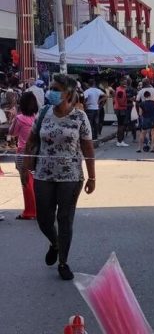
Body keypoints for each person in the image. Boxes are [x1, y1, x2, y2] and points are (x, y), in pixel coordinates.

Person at [23, 74, 95, 281]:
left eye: (56, 88)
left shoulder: (80, 117)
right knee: (44, 219)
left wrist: (92, 177)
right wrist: (26, 164)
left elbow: (88, 148)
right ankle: (54, 243)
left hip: (71, 177)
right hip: (44, 174)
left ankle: (63, 261)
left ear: (68, 94)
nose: (51, 92)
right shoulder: (44, 112)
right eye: (51, 88)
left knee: (65, 219)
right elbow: (32, 139)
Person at [9, 91, 38, 220]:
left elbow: (12, 133)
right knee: (36, 182)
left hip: (22, 153)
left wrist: (12, 118)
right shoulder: (37, 118)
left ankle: (30, 211)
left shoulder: (19, 118)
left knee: (26, 183)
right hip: (36, 153)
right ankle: (39, 209)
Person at [113, 77, 129, 147]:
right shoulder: (120, 91)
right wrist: (128, 103)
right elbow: (120, 102)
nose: (125, 83)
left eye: (126, 82)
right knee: (121, 126)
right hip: (120, 110)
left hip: (120, 109)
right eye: (124, 82)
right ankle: (120, 141)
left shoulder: (122, 89)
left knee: (121, 125)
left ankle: (120, 140)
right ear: (121, 82)